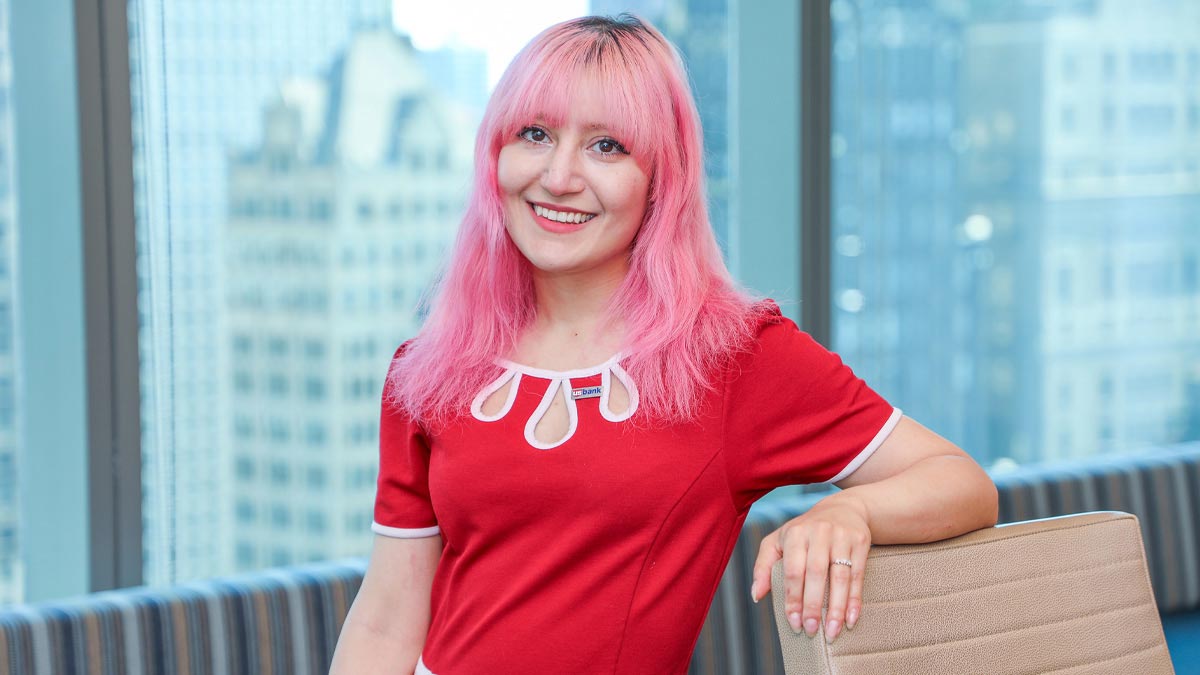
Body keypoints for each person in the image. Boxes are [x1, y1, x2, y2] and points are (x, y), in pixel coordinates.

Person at [330, 14, 998, 675]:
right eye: (534, 134)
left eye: (607, 146)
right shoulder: (427, 370)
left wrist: (851, 507)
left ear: (661, 178)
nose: (558, 176)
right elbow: (386, 615)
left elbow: (961, 483)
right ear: (494, 154)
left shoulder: (735, 357)